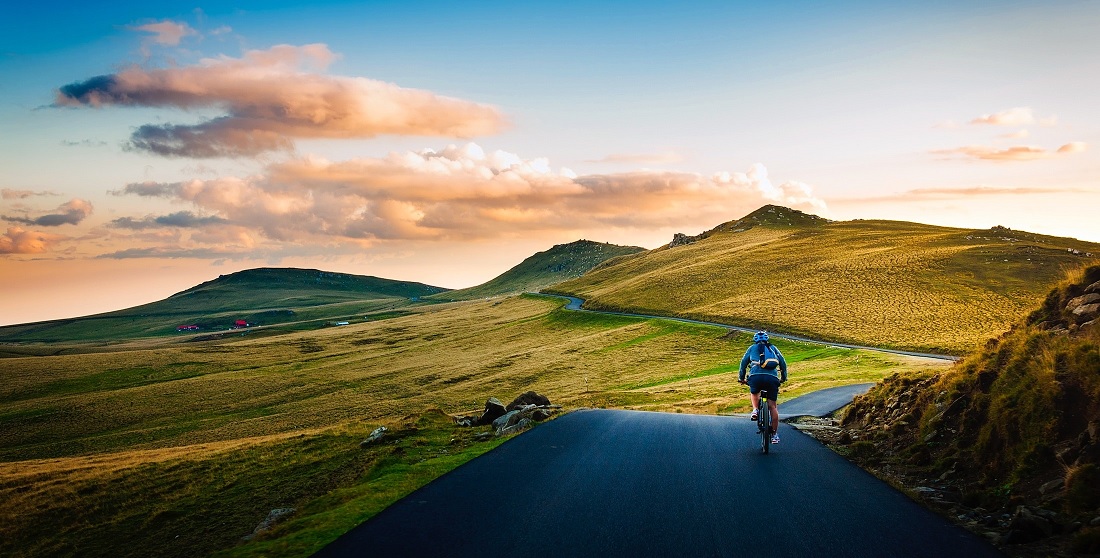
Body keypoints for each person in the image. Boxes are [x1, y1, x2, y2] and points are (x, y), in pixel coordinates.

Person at [738, 331, 788, 444]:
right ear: (767, 339)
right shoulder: (773, 348)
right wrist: (783, 378)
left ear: (755, 340)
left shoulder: (752, 348)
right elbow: (783, 363)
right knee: (773, 407)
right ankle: (774, 435)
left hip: (755, 377)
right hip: (772, 378)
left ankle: (755, 410)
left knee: (754, 392)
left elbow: (743, 364)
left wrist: (741, 378)